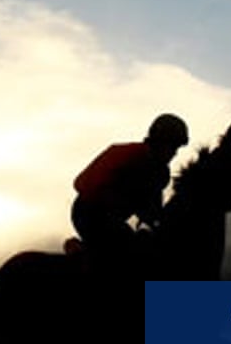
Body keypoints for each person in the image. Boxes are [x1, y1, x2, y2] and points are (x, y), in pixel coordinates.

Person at [70, 113, 188, 272]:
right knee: (127, 251)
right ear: (158, 141)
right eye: (172, 146)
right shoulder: (121, 153)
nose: (174, 153)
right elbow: (81, 183)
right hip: (87, 214)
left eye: (176, 148)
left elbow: (154, 213)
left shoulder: (161, 173)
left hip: (114, 221)